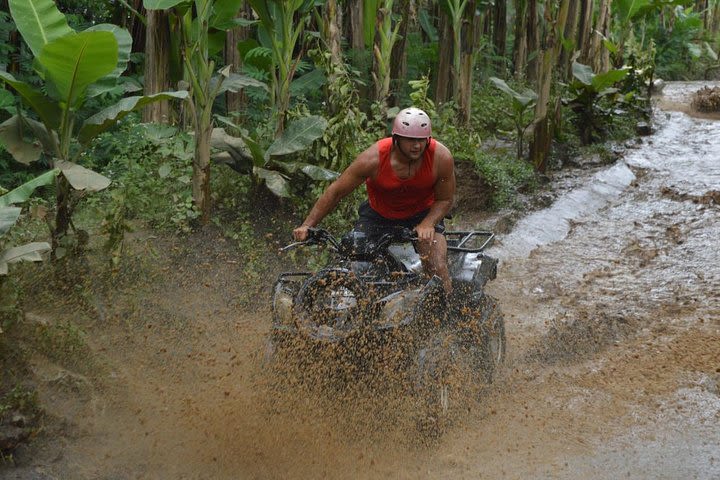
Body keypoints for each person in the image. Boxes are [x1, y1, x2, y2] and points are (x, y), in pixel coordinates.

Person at [293, 107, 456, 293]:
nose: (416, 145)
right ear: (397, 138)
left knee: (436, 266)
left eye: (421, 140)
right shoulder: (373, 159)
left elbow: (445, 199)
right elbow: (336, 192)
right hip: (379, 215)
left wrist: (428, 223)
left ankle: (446, 313)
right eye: (410, 139)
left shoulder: (440, 157)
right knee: (352, 261)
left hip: (423, 213)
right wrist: (307, 225)